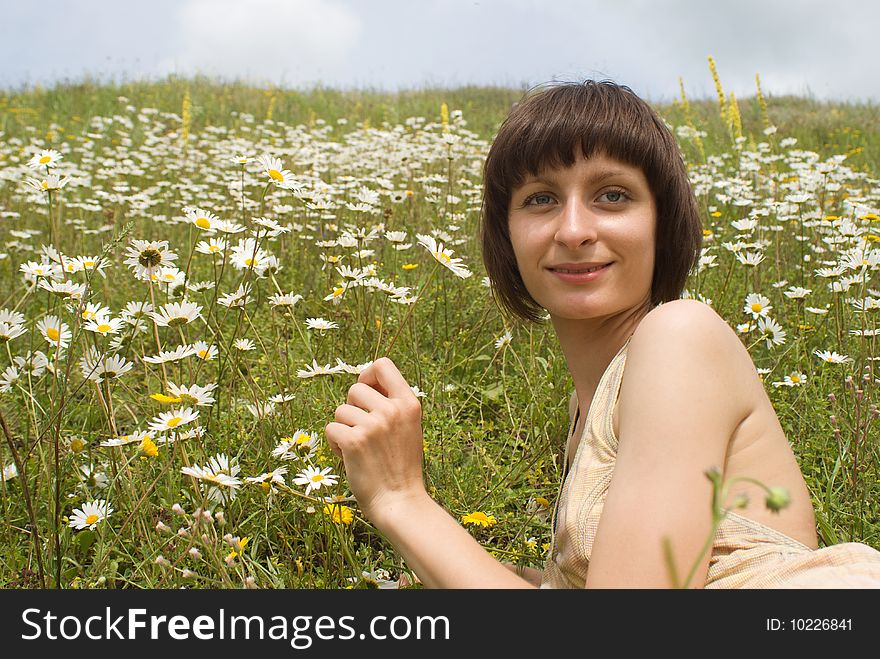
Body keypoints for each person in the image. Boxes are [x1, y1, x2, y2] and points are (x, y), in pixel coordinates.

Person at [325, 80, 880, 588]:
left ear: (665, 223)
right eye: (540, 198)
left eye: (612, 195)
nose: (573, 231)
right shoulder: (589, 403)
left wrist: (401, 499)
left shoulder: (679, 338)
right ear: (507, 236)